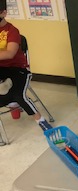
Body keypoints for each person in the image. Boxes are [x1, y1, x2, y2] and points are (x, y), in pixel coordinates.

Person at [0, 0, 52, 131]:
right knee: (10, 96)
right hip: (1, 69)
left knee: (19, 96)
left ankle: (42, 122)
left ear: (4, 13)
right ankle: (9, 100)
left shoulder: (12, 31)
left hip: (18, 69)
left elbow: (10, 53)